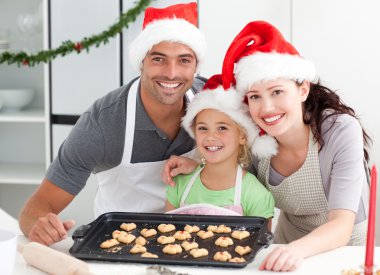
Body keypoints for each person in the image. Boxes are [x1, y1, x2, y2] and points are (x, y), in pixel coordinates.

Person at [162, 21, 371, 272]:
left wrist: (296, 250)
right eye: (255, 97)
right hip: (284, 248)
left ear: (303, 89)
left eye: (277, 92)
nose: (267, 108)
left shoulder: (340, 130)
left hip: (343, 251)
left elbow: (341, 225)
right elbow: (234, 174)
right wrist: (198, 164)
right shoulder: (256, 139)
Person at [19, 2, 207, 246]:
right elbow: (36, 208)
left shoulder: (213, 103)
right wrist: (39, 224)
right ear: (142, 63)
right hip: (120, 248)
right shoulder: (103, 124)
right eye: (159, 59)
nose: (171, 73)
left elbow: (246, 167)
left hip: (198, 242)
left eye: (184, 60)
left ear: (196, 67)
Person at [165, 74, 275, 222]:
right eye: (203, 128)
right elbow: (167, 235)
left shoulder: (256, 195)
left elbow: (261, 245)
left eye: (222, 128)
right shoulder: (179, 184)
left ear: (242, 136)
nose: (210, 137)